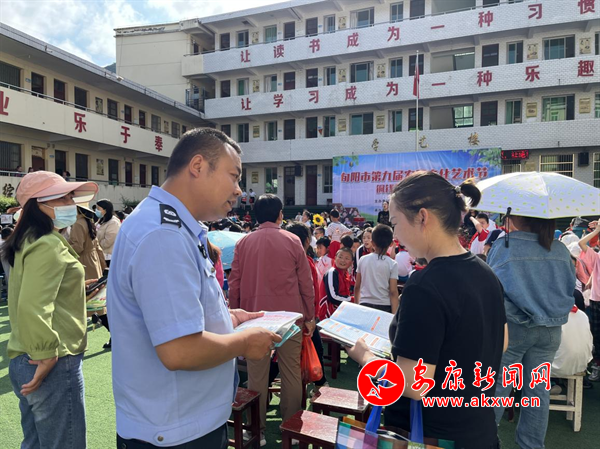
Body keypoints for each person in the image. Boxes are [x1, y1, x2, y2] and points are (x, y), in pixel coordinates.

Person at [107, 128, 280, 449]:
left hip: (181, 423)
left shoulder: (172, 225)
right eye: (234, 176)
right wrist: (244, 342)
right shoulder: (163, 234)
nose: (239, 190)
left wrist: (229, 319)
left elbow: (178, 317)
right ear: (198, 166)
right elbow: (179, 350)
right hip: (174, 432)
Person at [347, 172, 506, 449]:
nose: (395, 235)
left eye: (395, 223)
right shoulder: (487, 273)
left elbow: (413, 384)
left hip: (432, 435)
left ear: (422, 217)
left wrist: (366, 357)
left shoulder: (424, 285)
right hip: (479, 430)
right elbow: (501, 342)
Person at [4, 171, 99, 449]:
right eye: (63, 197)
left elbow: (36, 292)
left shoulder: (29, 239)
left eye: (71, 197)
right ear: (39, 206)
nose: (71, 203)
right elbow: (34, 305)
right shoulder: (47, 243)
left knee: (34, 442)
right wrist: (46, 354)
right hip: (52, 360)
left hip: (25, 356)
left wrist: (79, 289)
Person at [228, 194, 315, 446]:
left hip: (255, 318)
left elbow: (234, 283)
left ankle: (257, 430)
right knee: (291, 373)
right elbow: (306, 283)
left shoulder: (243, 242)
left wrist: (235, 313)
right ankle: (292, 428)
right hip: (290, 317)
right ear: (280, 215)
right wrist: (310, 316)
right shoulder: (293, 240)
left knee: (257, 374)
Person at [489, 213, 575, 448]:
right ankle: (532, 445)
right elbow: (570, 287)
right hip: (551, 329)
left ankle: (484, 441)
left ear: (518, 216)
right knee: (538, 391)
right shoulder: (560, 249)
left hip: (513, 326)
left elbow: (489, 286)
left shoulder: (505, 245)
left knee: (498, 386)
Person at [354, 224, 398, 313]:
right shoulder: (392, 264)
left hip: (364, 304)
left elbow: (357, 286)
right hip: (385, 306)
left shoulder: (363, 259)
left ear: (372, 242)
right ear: (391, 244)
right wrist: (394, 315)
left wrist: (357, 305)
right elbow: (393, 292)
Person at [577, 221, 600, 381]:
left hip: (595, 298)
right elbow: (581, 243)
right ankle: (597, 365)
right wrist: (597, 230)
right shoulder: (596, 255)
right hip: (596, 299)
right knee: (596, 335)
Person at [69, 206, 105, 280]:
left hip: (84, 260)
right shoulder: (89, 221)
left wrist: (64, 249)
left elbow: (78, 247)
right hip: (94, 259)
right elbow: (97, 245)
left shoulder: (78, 224)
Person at [318, 247, 354, 320]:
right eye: (340, 257)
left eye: (347, 258)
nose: (343, 260)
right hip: (328, 315)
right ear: (335, 258)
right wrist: (353, 299)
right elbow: (333, 297)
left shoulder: (345, 274)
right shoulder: (332, 272)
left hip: (339, 313)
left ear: (351, 262)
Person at [95, 199, 121, 266]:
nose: (96, 210)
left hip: (108, 256)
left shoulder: (113, 222)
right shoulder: (102, 220)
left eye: (98, 208)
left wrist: (95, 245)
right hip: (100, 253)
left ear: (105, 210)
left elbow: (108, 241)